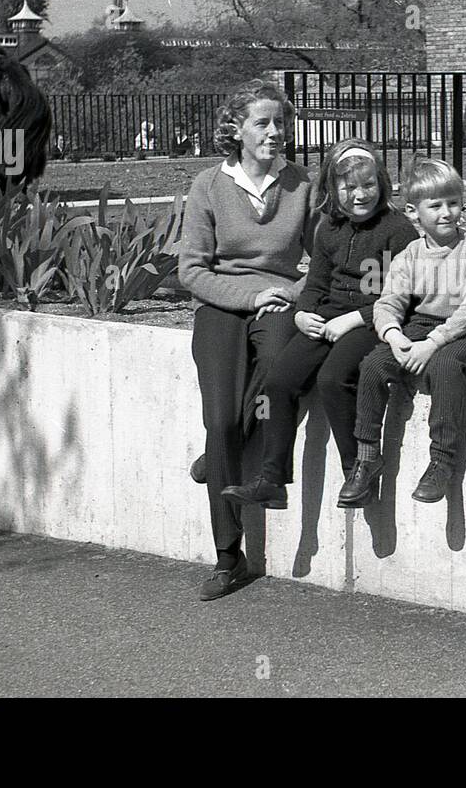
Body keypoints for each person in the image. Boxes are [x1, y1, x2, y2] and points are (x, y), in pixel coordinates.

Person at [221, 139, 418, 510]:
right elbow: (315, 283)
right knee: (278, 381)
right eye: (349, 187)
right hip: (325, 319)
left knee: (332, 379)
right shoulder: (328, 229)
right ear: (332, 188)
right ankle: (273, 479)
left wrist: (352, 320)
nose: (359, 195)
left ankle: (358, 469)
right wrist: (301, 313)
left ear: (382, 184)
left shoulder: (397, 230)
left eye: (368, 185)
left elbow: (401, 296)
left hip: (372, 321)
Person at [178, 78, 318, 601]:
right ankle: (227, 557)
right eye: (263, 122)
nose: (275, 132)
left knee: (281, 364)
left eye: (280, 122)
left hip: (279, 303)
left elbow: (321, 261)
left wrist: (290, 292)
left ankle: (220, 453)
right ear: (236, 129)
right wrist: (248, 298)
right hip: (221, 305)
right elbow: (191, 271)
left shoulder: (301, 184)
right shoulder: (208, 187)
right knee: (217, 420)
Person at [345, 158, 466, 505]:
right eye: (435, 205)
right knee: (373, 365)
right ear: (413, 211)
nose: (447, 212)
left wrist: (431, 344)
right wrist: (395, 336)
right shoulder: (409, 255)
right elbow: (388, 303)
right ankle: (367, 458)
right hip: (421, 327)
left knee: (444, 366)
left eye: (453, 202)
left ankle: (443, 462)